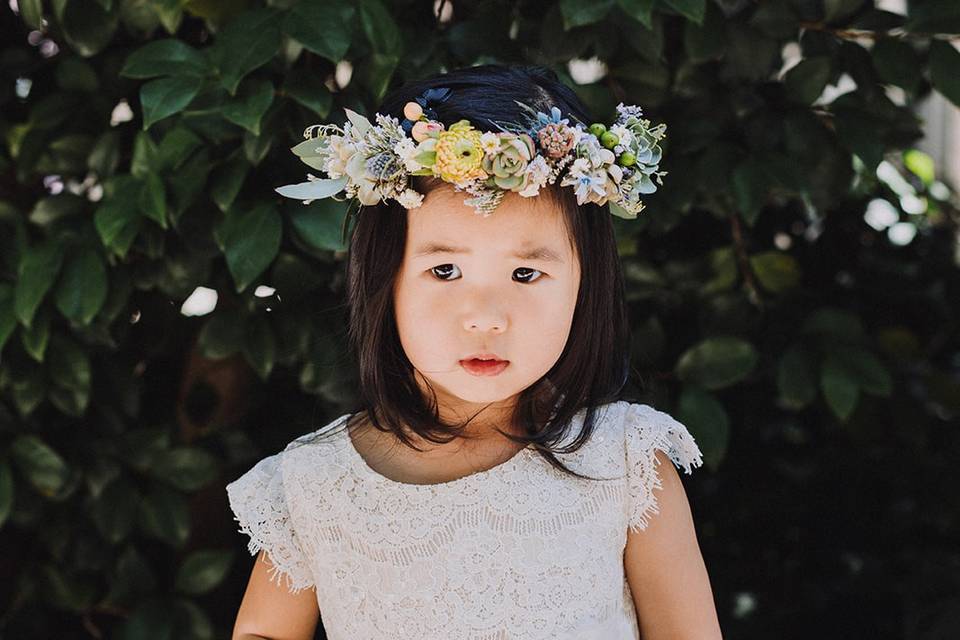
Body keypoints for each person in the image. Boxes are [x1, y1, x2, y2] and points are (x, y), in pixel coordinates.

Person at [226, 63, 722, 640]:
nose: (486, 315)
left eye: (526, 273)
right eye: (445, 270)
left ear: (585, 286)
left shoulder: (626, 462)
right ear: (384, 282)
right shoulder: (317, 481)